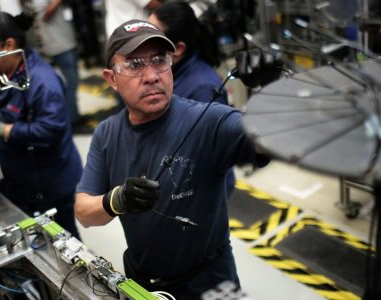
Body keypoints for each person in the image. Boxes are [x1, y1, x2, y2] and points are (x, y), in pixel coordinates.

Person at [74, 19, 269, 298]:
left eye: (159, 60)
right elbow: (84, 212)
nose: (152, 75)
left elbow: (268, 139)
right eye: (134, 64)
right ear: (111, 79)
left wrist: (273, 95)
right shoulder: (107, 134)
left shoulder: (205, 121)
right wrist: (117, 199)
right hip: (143, 283)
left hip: (209, 284)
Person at [0, 11, 82, 237]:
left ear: (9, 45)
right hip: (22, 180)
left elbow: (50, 130)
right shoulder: (3, 74)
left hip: (50, 182)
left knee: (63, 237)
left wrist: (4, 129)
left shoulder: (43, 82)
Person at [148, 1, 236, 198]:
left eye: (152, 38)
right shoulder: (168, 73)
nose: (142, 42)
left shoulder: (202, 89)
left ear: (177, 49)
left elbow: (209, 156)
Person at [20, 0, 81, 124]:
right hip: (58, 45)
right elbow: (43, 15)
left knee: (71, 82)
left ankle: (73, 117)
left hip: (65, 41)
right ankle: (71, 120)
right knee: (69, 82)